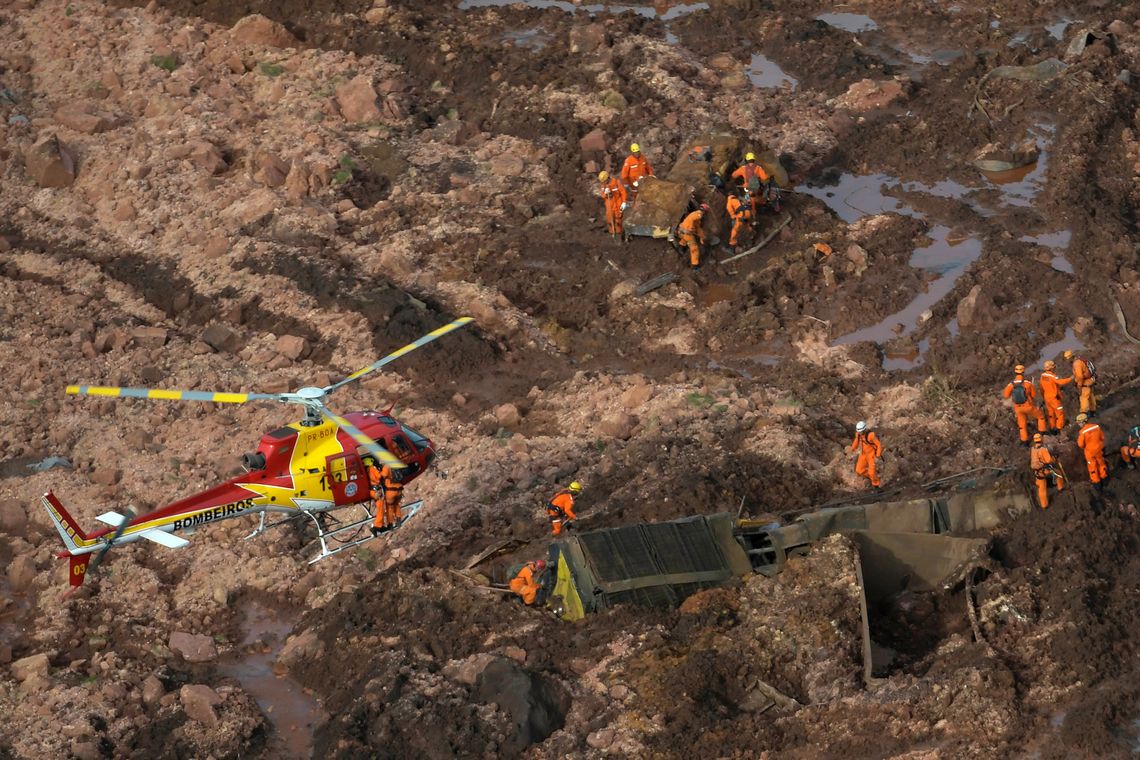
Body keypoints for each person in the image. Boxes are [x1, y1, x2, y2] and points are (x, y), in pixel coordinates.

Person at [1002, 364, 1046, 445]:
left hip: (1018, 409)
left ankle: (1024, 441)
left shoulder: (1011, 384)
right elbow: (1033, 395)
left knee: (1022, 425)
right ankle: (1042, 433)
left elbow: (1005, 395)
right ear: (1023, 372)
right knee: (1041, 416)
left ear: (1015, 373)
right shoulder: (1027, 383)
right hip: (1028, 406)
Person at [366, 456, 404, 536]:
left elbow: (381, 476)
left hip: (388, 491)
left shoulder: (380, 468)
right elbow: (380, 476)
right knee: (395, 505)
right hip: (398, 489)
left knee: (387, 507)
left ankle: (386, 525)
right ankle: (397, 518)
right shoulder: (394, 465)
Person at [730, 152, 771, 217]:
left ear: (746, 160)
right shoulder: (758, 168)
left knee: (752, 202)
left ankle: (752, 214)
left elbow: (733, 175)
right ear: (754, 160)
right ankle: (763, 205)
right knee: (760, 197)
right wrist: (768, 175)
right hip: (757, 188)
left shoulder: (743, 168)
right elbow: (764, 177)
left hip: (748, 189)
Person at [1029, 433, 1064, 509]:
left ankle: (1044, 505)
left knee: (1041, 488)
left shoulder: (1033, 449)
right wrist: (1054, 458)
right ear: (1041, 439)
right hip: (1045, 471)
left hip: (1037, 472)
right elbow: (1049, 460)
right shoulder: (1043, 449)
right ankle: (1061, 488)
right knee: (1058, 474)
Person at [1038, 359, 1072, 433]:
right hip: (1054, 398)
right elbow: (1060, 382)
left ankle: (1052, 427)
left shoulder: (1042, 376)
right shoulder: (1053, 376)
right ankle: (1059, 428)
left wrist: (1043, 397)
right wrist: (1070, 378)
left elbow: (1041, 388)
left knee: (1051, 413)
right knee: (1060, 413)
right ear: (1051, 368)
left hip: (1047, 398)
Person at [1076, 413, 1108, 489]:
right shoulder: (1096, 426)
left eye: (1079, 423)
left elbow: (1080, 445)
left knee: (1092, 466)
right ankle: (1104, 478)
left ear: (1083, 422)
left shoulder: (1082, 432)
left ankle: (1097, 483)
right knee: (1101, 463)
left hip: (1090, 452)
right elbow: (1102, 437)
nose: (1078, 425)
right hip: (1099, 450)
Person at [850, 420, 883, 490]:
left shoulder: (871, 435)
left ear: (864, 429)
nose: (859, 433)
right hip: (863, 455)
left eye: (860, 431)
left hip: (871, 455)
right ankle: (872, 477)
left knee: (872, 472)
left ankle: (876, 486)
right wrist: (852, 449)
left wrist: (877, 455)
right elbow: (856, 441)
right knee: (859, 470)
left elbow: (879, 445)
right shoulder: (858, 434)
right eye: (858, 431)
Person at [1064, 350, 1097, 416]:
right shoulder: (1080, 360)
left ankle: (1083, 414)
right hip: (1090, 381)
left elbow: (1080, 376)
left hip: (1085, 384)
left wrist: (1079, 386)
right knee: (1090, 396)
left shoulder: (1076, 364)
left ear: (1070, 358)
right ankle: (1093, 411)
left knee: (1083, 398)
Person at [677, 203, 709, 269]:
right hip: (686, 233)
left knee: (684, 239)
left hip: (680, 231)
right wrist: (690, 229)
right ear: (705, 211)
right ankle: (695, 265)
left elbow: (698, 228)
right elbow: (692, 223)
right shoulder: (698, 215)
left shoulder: (695, 214)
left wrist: (702, 237)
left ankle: (681, 248)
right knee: (694, 248)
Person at [598, 170, 627, 240]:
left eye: (604, 181)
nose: (603, 183)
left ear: (608, 178)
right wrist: (605, 193)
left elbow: (623, 192)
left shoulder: (616, 182)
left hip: (617, 203)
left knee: (618, 219)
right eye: (602, 182)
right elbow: (602, 195)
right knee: (610, 219)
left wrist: (624, 202)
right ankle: (612, 233)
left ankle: (619, 233)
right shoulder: (603, 185)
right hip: (609, 204)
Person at [725, 188, 752, 253]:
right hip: (747, 213)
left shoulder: (730, 200)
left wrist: (733, 216)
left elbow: (729, 209)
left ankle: (732, 247)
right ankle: (750, 241)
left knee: (735, 231)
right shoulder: (738, 198)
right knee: (747, 227)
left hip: (741, 217)